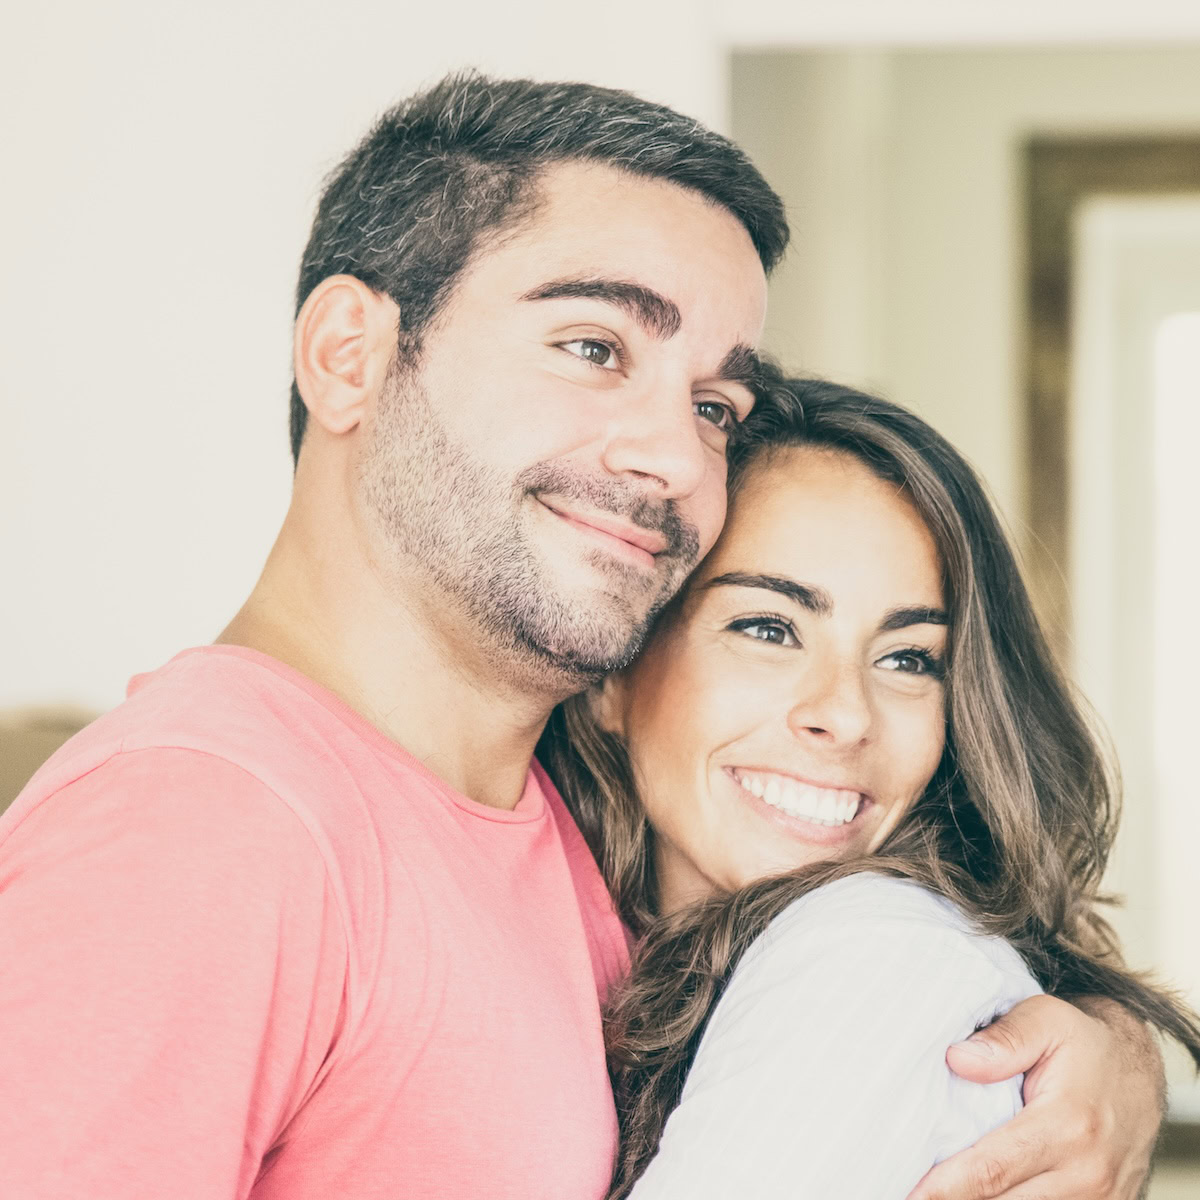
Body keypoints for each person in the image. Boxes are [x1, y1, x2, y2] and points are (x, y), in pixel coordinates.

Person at [0, 74, 1168, 1200]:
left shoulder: (574, 811)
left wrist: (1102, 1050)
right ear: (348, 355)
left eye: (714, 405)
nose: (672, 457)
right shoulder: (200, 830)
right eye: (596, 348)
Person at [541, 378, 1200, 1200]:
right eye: (770, 629)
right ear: (615, 673)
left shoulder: (871, 948)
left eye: (908, 658)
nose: (846, 716)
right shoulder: (589, 942)